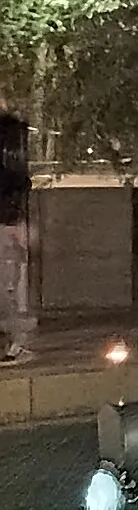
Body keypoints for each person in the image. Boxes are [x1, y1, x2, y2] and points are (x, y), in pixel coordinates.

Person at [0, 113, 33, 365]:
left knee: (6, 287)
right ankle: (13, 343)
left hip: (7, 223)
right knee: (6, 287)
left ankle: (14, 343)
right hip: (7, 222)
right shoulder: (13, 156)